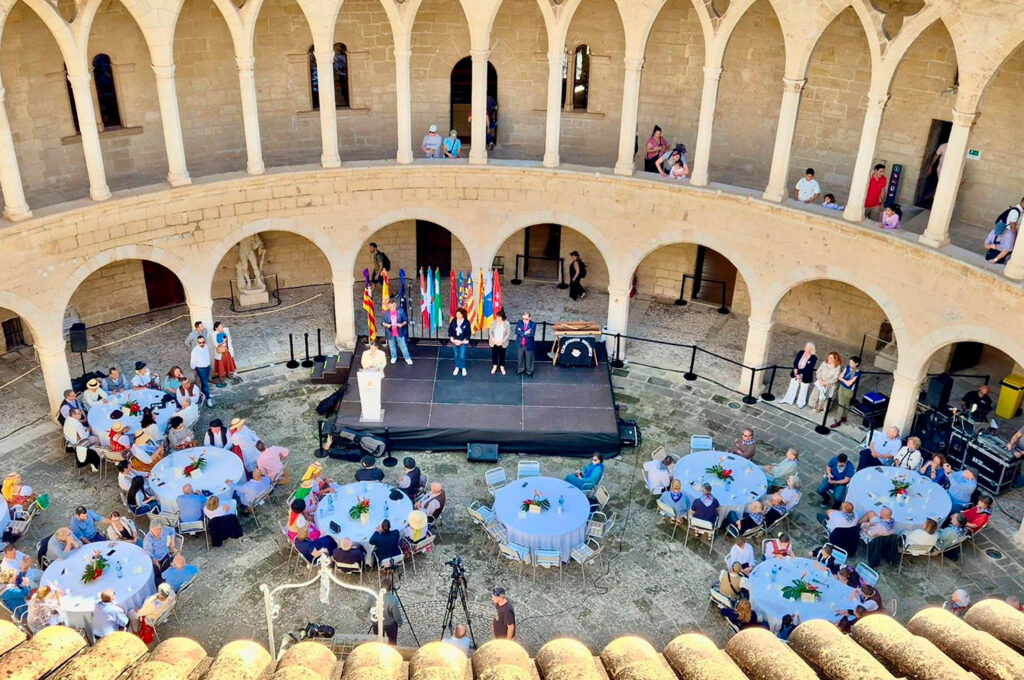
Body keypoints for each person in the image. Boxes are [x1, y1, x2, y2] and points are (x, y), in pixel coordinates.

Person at [779, 342, 817, 408]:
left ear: (811, 349)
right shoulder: (801, 352)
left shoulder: (814, 358)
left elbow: (809, 369)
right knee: (792, 386)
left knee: (803, 389)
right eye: (806, 346)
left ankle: (801, 403)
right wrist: (796, 371)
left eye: (807, 347)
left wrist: (798, 372)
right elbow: (795, 362)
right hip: (796, 372)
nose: (805, 348)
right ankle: (788, 399)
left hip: (805, 375)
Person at [367, 576, 403, 644]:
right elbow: (396, 614)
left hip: (376, 623)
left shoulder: (372, 596)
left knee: (378, 641)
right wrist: (399, 622)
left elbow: (365, 609)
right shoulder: (393, 599)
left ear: (380, 586)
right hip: (390, 625)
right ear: (390, 588)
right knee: (392, 642)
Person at [830, 356, 861, 428]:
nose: (850, 363)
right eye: (850, 362)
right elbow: (839, 377)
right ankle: (844, 417)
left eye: (852, 362)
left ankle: (838, 421)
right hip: (842, 387)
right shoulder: (847, 367)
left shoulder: (856, 372)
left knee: (843, 404)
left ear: (856, 364)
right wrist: (844, 380)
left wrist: (843, 379)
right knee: (845, 404)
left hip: (848, 390)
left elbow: (849, 383)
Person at [380, 299, 413, 365]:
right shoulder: (386, 313)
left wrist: (402, 324)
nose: (392, 308)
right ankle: (394, 357)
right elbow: (382, 322)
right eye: (390, 307)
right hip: (390, 332)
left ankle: (407, 358)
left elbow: (406, 320)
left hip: (399, 331)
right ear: (388, 306)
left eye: (394, 306)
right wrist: (387, 325)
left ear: (396, 305)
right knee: (392, 346)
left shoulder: (401, 311)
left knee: (403, 345)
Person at [189, 335, 214, 407]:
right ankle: (208, 398)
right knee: (205, 383)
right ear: (197, 342)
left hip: (207, 367)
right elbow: (192, 362)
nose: (202, 344)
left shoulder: (206, 346)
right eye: (200, 342)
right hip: (201, 368)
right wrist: (194, 368)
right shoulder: (195, 351)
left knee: (205, 382)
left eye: (203, 342)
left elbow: (207, 355)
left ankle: (205, 394)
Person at [448, 307, 471, 377]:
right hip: (455, 341)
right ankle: (457, 366)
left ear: (463, 315)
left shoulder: (466, 322)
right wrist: (452, 339)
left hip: (463, 341)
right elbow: (450, 330)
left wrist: (461, 342)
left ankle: (463, 367)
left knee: (462, 355)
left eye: (459, 314)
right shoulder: (453, 321)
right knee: (456, 354)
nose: (457, 315)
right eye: (457, 314)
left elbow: (468, 334)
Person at [488, 309, 510, 376]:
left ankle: (501, 366)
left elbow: (507, 334)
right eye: (497, 316)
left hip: (502, 342)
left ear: (502, 317)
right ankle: (494, 366)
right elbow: (490, 332)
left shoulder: (506, 323)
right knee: (494, 354)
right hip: (494, 342)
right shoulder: (493, 322)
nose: (497, 318)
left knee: (502, 354)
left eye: (498, 317)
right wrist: (493, 340)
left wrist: (502, 341)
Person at [514, 312, 536, 378]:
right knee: (520, 357)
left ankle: (529, 371)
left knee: (529, 359)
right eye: (523, 319)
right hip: (520, 343)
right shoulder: (519, 322)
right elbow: (516, 331)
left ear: (529, 318)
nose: (524, 320)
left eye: (526, 319)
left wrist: (521, 332)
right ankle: (520, 369)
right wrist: (525, 332)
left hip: (528, 344)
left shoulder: (533, 324)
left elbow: (531, 334)